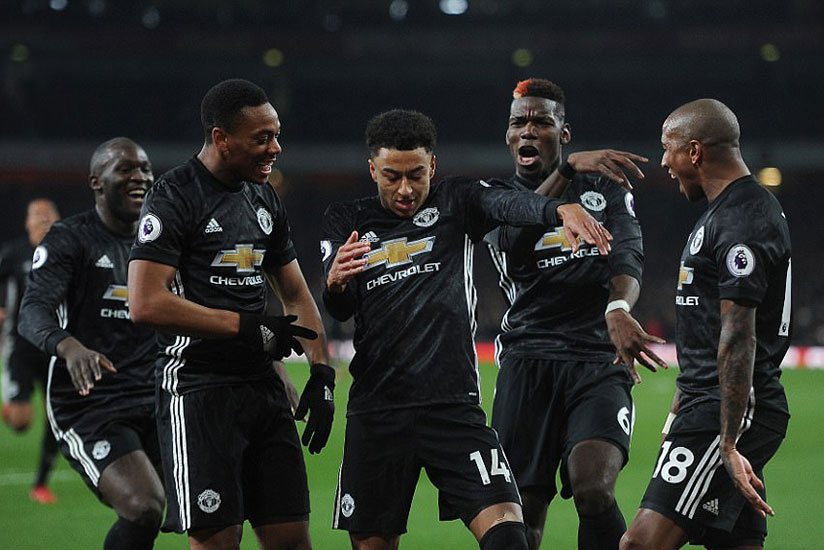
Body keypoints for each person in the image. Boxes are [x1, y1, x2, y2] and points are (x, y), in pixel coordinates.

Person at [322, 108, 613, 550]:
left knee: (510, 537)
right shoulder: (347, 220)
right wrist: (335, 282)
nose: (405, 189)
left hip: (453, 410)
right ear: (372, 170)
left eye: (416, 175)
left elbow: (507, 203)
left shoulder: (456, 200)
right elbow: (341, 308)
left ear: (432, 167)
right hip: (379, 412)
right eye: (391, 176)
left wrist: (557, 210)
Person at [128, 78, 333, 550]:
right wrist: (248, 328)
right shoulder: (174, 196)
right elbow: (146, 303)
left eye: (276, 135)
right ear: (221, 138)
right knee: (219, 541)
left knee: (291, 541)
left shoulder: (263, 198)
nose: (275, 148)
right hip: (199, 388)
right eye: (261, 138)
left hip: (261, 389)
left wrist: (322, 374)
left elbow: (296, 292)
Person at [483, 78, 667, 550]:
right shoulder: (493, 196)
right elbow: (514, 242)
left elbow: (628, 251)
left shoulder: (602, 189)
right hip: (527, 361)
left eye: (542, 122)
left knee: (594, 488)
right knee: (524, 516)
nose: (528, 130)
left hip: (596, 362)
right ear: (508, 137)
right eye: (518, 123)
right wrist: (565, 173)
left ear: (563, 133)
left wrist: (619, 306)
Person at [620, 99, 792, 550]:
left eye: (668, 149)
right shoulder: (723, 213)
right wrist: (678, 408)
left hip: (728, 408)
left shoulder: (741, 218)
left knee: (639, 544)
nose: (664, 162)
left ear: (694, 151)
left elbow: (738, 335)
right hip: (707, 402)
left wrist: (729, 441)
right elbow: (705, 331)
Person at [18, 138, 165, 549]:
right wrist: (70, 347)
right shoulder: (69, 239)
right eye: (126, 169)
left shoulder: (163, 243)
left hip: (159, 398)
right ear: (96, 182)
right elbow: (33, 312)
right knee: (143, 508)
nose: (139, 177)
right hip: (91, 402)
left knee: (216, 504)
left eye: (145, 167)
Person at [0, 198, 61, 503]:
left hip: (55, 347)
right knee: (22, 424)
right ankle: (11, 407)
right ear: (27, 223)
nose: (43, 220)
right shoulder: (13, 255)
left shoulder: (66, 253)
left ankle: (40, 484)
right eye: (37, 216)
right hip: (21, 346)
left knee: (56, 416)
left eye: (49, 216)